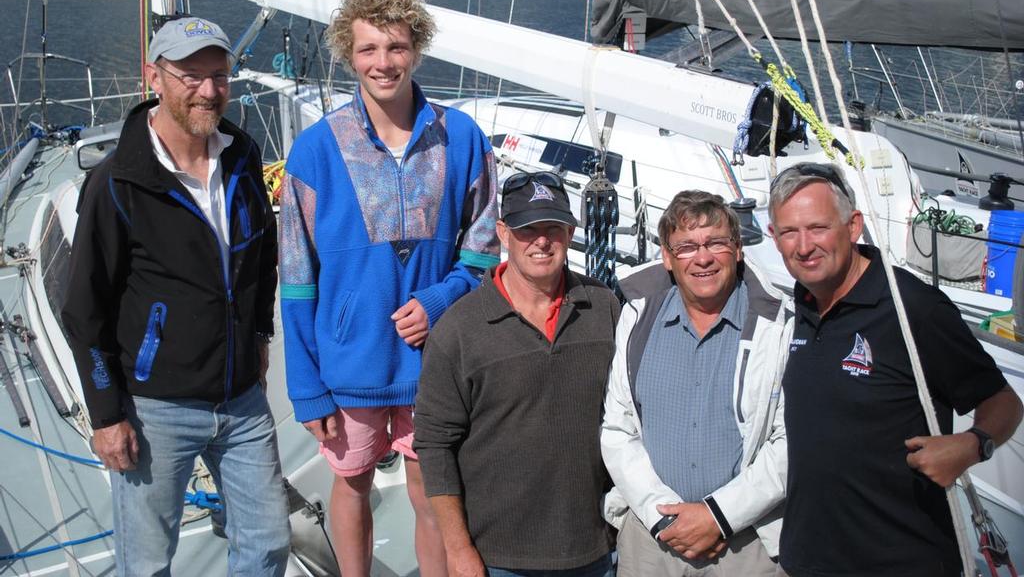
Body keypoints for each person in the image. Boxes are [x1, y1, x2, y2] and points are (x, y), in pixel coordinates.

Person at [278, 0, 500, 577]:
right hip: (348, 364)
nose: (383, 63)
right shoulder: (315, 150)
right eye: (369, 49)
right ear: (349, 54)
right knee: (350, 486)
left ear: (417, 50)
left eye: (396, 47)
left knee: (434, 495)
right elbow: (297, 281)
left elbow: (481, 249)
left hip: (435, 361)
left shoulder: (461, 137)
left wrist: (441, 298)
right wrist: (306, 386)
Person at [62, 16, 290, 576]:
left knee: (267, 543)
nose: (209, 91)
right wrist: (106, 414)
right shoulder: (118, 181)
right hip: (154, 407)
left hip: (241, 401)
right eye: (191, 76)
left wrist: (260, 333)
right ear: (155, 78)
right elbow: (84, 308)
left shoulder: (241, 155)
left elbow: (261, 254)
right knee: (146, 563)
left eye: (218, 75)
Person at [767, 161, 1023, 577]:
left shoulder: (913, 309)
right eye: (789, 232)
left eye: (817, 228)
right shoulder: (803, 301)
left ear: (853, 227)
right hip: (806, 561)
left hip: (901, 563)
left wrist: (972, 445)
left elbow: (1003, 401)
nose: (803, 246)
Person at [414, 171, 620, 577]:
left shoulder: (605, 308)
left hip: (593, 550)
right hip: (498, 559)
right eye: (527, 229)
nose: (541, 240)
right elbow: (435, 446)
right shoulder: (458, 329)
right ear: (503, 233)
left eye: (552, 228)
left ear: (572, 232)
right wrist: (458, 552)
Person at [601, 190, 790, 576]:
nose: (702, 258)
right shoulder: (637, 319)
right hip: (653, 541)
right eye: (686, 247)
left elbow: (790, 441)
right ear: (667, 258)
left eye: (715, 243)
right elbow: (618, 430)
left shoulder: (779, 326)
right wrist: (665, 518)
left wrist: (718, 516)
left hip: (744, 543)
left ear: (737, 250)